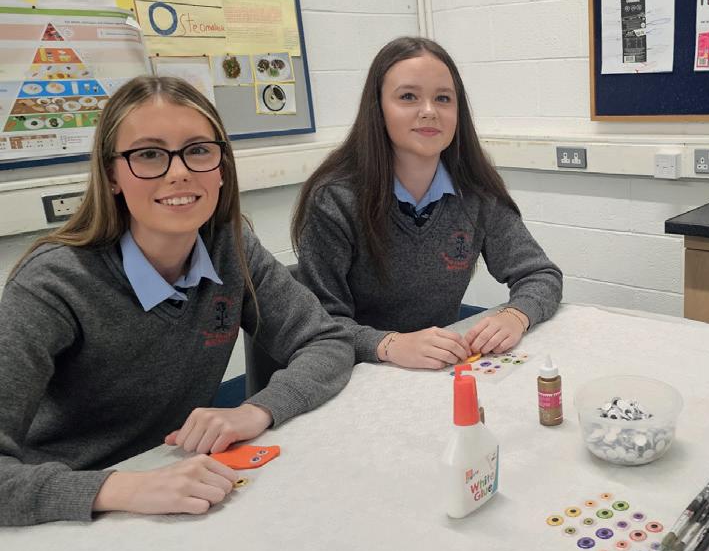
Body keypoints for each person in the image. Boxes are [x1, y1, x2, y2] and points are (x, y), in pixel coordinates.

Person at [0, 76, 354, 526]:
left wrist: (256, 410)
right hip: (66, 514)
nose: (179, 172)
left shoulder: (231, 247)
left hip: (179, 484)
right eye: (149, 154)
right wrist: (126, 488)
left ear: (222, 167)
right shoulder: (53, 283)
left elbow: (326, 341)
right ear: (111, 175)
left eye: (198, 150)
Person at [291, 36, 562, 369]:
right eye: (408, 97)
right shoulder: (335, 200)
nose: (430, 111)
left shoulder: (476, 192)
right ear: (378, 108)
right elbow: (320, 324)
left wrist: (516, 315)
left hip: (437, 369)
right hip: (356, 372)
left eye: (443, 98)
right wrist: (389, 344)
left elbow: (541, 274)